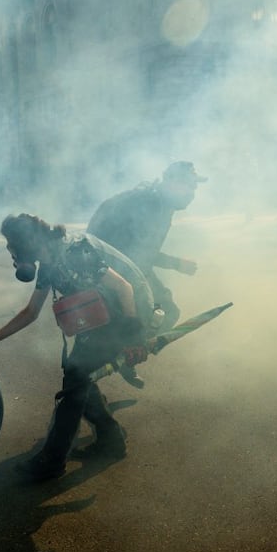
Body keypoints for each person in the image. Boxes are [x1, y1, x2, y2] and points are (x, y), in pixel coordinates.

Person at [0, 214, 155, 482]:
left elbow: (124, 288)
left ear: (25, 243)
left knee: (74, 385)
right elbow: (31, 312)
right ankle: (111, 440)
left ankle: (52, 461)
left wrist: (134, 337)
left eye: (11, 244)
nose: (10, 251)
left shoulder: (76, 251)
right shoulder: (49, 262)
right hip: (102, 320)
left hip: (125, 317)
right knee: (78, 377)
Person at [87, 160, 203, 386]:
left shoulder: (161, 202)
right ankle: (125, 354)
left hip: (123, 264)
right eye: (188, 185)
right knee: (162, 313)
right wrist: (176, 264)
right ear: (170, 181)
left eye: (194, 187)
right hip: (110, 268)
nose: (192, 193)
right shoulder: (149, 206)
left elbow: (141, 251)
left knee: (162, 313)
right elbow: (137, 254)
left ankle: (125, 356)